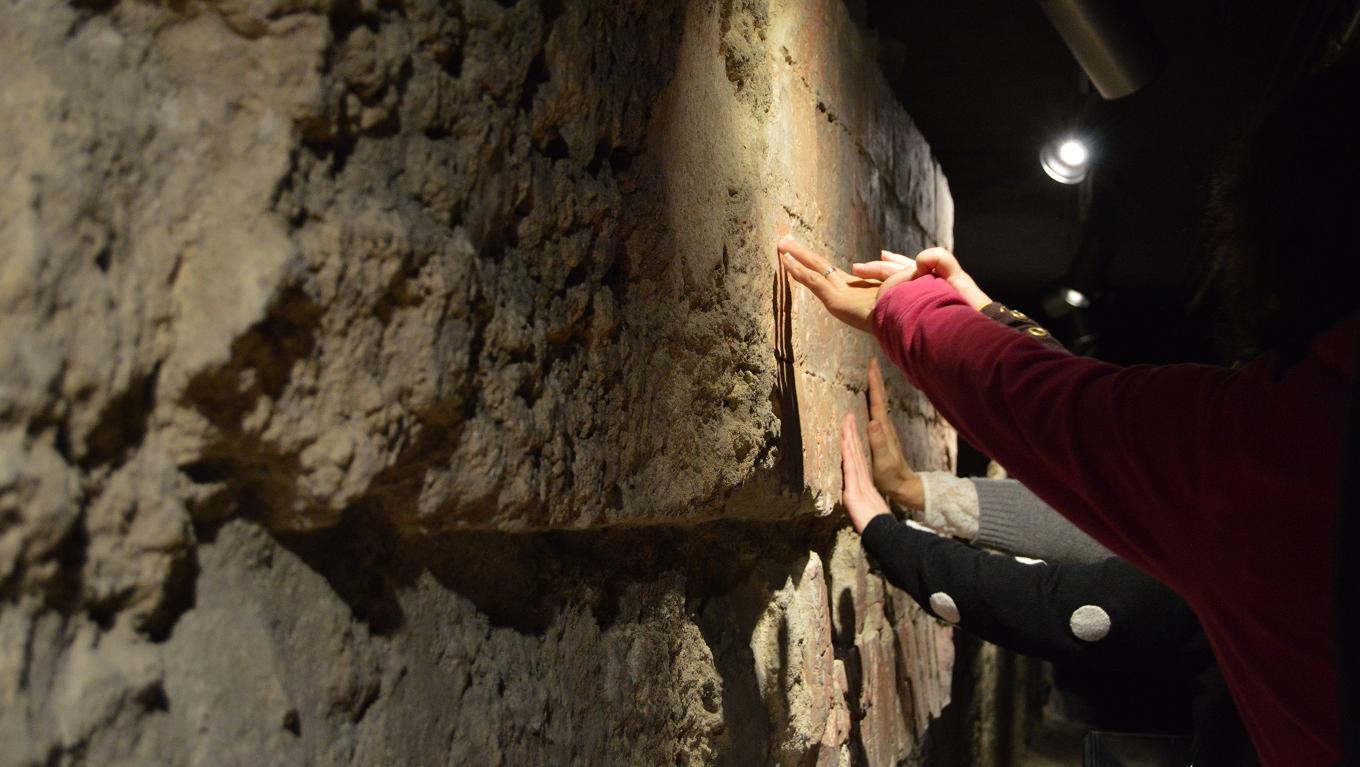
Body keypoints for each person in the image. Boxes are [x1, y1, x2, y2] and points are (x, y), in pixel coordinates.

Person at [779, 56, 1359, 766]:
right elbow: (1103, 481)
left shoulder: (1280, 451)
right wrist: (983, 327)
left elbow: (1068, 571)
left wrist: (888, 527)